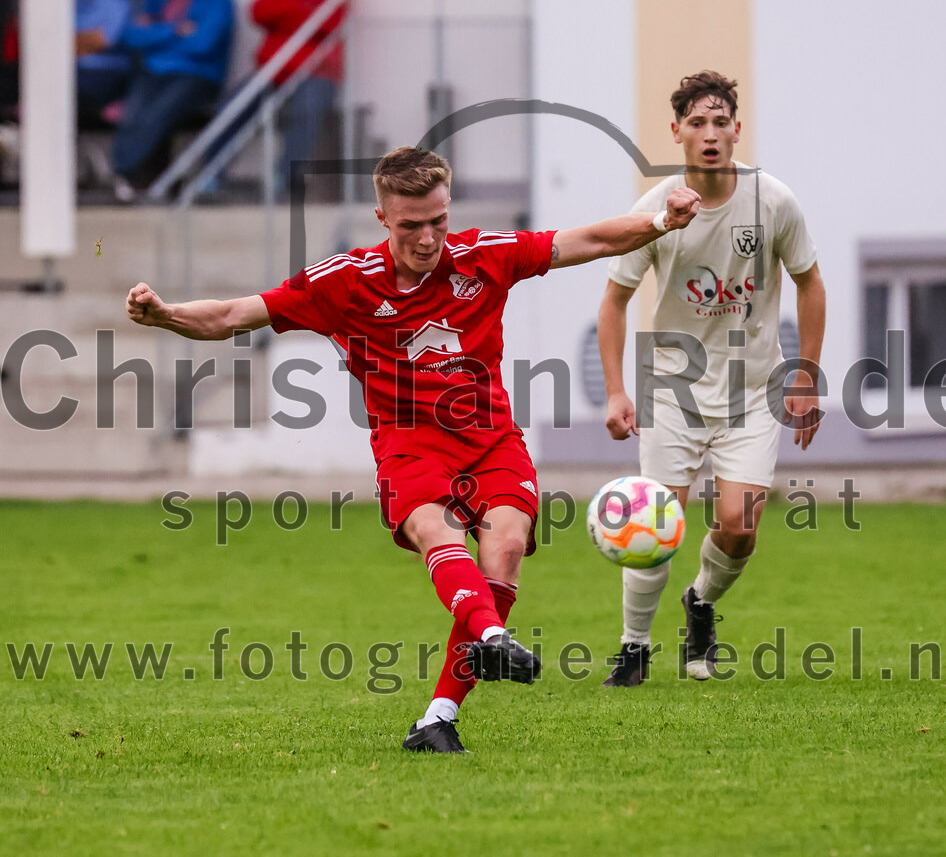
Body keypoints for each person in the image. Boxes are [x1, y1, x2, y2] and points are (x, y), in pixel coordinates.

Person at [126, 145, 701, 753]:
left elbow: (586, 240)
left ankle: (437, 718)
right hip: (409, 444)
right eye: (411, 226)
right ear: (383, 219)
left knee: (504, 548)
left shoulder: (483, 257)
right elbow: (236, 313)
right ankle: (492, 638)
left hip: (490, 438)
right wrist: (165, 316)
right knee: (439, 534)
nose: (428, 238)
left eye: (438, 221)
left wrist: (660, 219)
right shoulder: (342, 282)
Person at [599, 71, 825, 687]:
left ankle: (700, 604)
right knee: (654, 527)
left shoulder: (772, 200)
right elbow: (614, 301)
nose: (709, 134)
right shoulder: (654, 212)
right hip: (673, 389)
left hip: (752, 392)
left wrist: (805, 374)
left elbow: (810, 283)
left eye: (719, 122)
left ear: (736, 130)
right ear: (676, 132)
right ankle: (634, 648)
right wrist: (617, 391)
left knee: (740, 528)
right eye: (696, 123)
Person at [113, 0, 234, 201]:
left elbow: (202, 44)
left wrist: (155, 31)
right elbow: (132, 36)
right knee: (132, 110)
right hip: (153, 72)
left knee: (157, 111)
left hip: (196, 77)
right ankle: (128, 177)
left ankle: (129, 173)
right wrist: (176, 29)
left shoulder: (219, 0)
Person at [251, 0, 346, 187]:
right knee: (233, 104)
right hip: (276, 72)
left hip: (317, 72)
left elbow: (329, 21)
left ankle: (284, 177)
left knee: (307, 108)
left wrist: (285, 14)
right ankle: (212, 177)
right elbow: (259, 11)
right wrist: (301, 8)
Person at [75, 0, 133, 124]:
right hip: (75, 69)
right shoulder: (72, 0)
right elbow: (52, 40)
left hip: (105, 72)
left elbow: (100, 41)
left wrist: (71, 44)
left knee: (62, 83)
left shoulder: (119, 2)